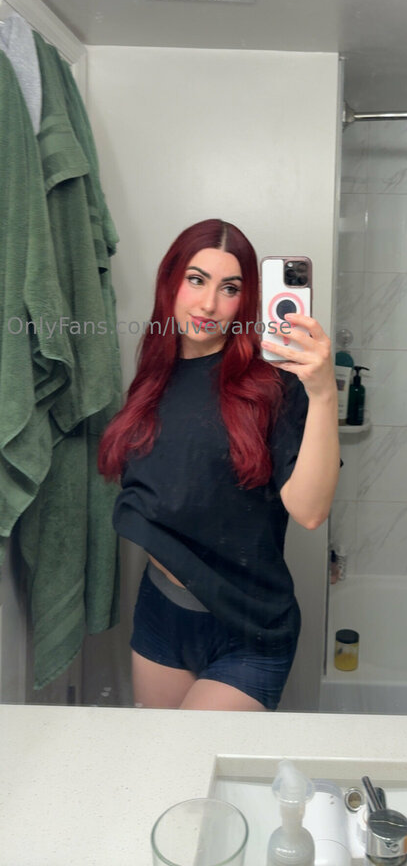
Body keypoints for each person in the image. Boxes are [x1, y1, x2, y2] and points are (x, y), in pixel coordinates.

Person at [98, 219, 340, 712]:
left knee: (198, 757)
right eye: (196, 280)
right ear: (171, 282)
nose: (208, 304)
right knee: (162, 757)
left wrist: (323, 394)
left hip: (249, 630)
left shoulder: (273, 384)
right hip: (161, 613)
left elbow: (311, 511)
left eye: (230, 288)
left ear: (246, 300)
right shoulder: (155, 372)